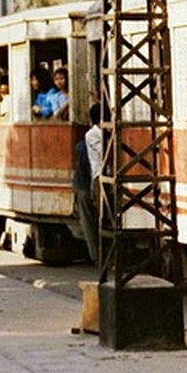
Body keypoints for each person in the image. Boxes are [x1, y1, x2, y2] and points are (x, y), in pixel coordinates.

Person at [74, 104, 102, 262]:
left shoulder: (90, 137)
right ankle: (97, 257)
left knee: (91, 221)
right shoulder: (93, 135)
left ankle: (99, 256)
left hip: (87, 182)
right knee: (90, 222)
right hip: (86, 183)